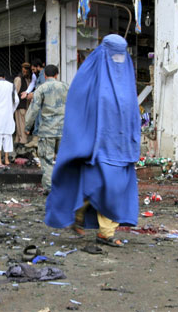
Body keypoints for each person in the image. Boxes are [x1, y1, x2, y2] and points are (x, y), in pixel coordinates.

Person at [45, 35, 141, 248]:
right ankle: (87, 218)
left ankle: (100, 227)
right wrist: (84, 139)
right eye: (114, 54)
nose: (118, 59)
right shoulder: (89, 77)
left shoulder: (125, 77)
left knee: (114, 188)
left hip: (121, 146)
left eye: (121, 55)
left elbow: (132, 111)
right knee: (99, 185)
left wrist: (134, 139)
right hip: (96, 146)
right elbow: (78, 108)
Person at [25, 65, 69, 195]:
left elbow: (33, 109)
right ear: (57, 75)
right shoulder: (66, 87)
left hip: (46, 131)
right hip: (63, 130)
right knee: (64, 160)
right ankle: (65, 186)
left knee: (47, 160)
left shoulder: (41, 88)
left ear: (45, 76)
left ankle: (50, 189)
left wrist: (28, 126)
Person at [23, 59, 46, 148]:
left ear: (38, 67)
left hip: (41, 102)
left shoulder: (43, 75)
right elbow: (34, 84)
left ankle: (36, 139)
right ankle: (35, 139)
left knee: (38, 118)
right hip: (39, 101)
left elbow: (42, 88)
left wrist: (33, 94)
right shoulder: (38, 75)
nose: (32, 72)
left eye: (33, 69)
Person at [14, 63, 32, 146]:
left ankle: (20, 141)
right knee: (21, 125)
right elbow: (14, 94)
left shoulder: (28, 80)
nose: (25, 70)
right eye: (24, 68)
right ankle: (22, 141)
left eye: (27, 69)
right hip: (20, 106)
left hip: (25, 106)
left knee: (22, 125)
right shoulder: (19, 79)